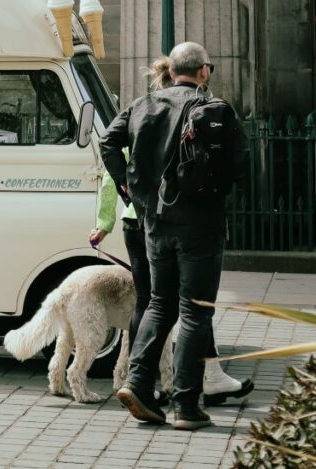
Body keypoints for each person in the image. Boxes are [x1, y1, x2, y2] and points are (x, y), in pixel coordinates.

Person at [101, 43, 247, 431]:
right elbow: (240, 166)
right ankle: (186, 405)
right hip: (201, 225)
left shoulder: (142, 105)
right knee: (196, 311)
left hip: (155, 223)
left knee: (159, 305)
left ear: (172, 69)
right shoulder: (214, 109)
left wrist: (127, 187)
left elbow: (108, 143)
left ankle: (138, 384)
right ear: (203, 72)